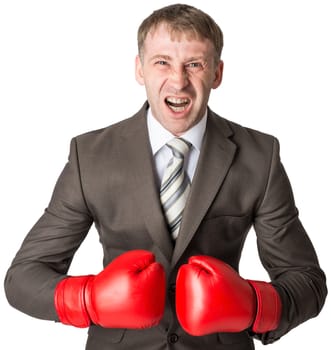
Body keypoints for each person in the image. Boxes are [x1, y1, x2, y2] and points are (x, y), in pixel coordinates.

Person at [4, 3, 327, 350]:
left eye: (195, 64)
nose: (178, 81)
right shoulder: (91, 155)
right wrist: (90, 299)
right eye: (162, 62)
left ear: (216, 74)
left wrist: (253, 305)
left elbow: (307, 281)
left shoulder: (260, 156)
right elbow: (23, 278)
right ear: (139, 69)